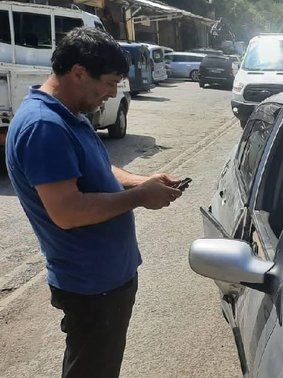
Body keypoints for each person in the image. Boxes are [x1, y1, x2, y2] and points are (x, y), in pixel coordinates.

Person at [4, 28, 182, 377]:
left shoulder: (69, 113)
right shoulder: (45, 126)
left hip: (104, 280)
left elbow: (98, 168)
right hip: (91, 286)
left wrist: (139, 181)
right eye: (111, 82)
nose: (113, 93)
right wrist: (140, 197)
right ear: (79, 73)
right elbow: (68, 212)